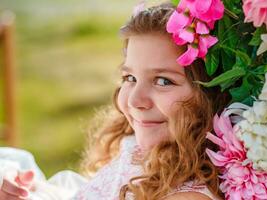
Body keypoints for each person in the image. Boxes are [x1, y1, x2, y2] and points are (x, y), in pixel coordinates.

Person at [0, 2, 230, 200]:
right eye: (130, 77)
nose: (135, 100)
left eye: (163, 81)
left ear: (209, 93)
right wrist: (36, 192)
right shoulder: (143, 152)